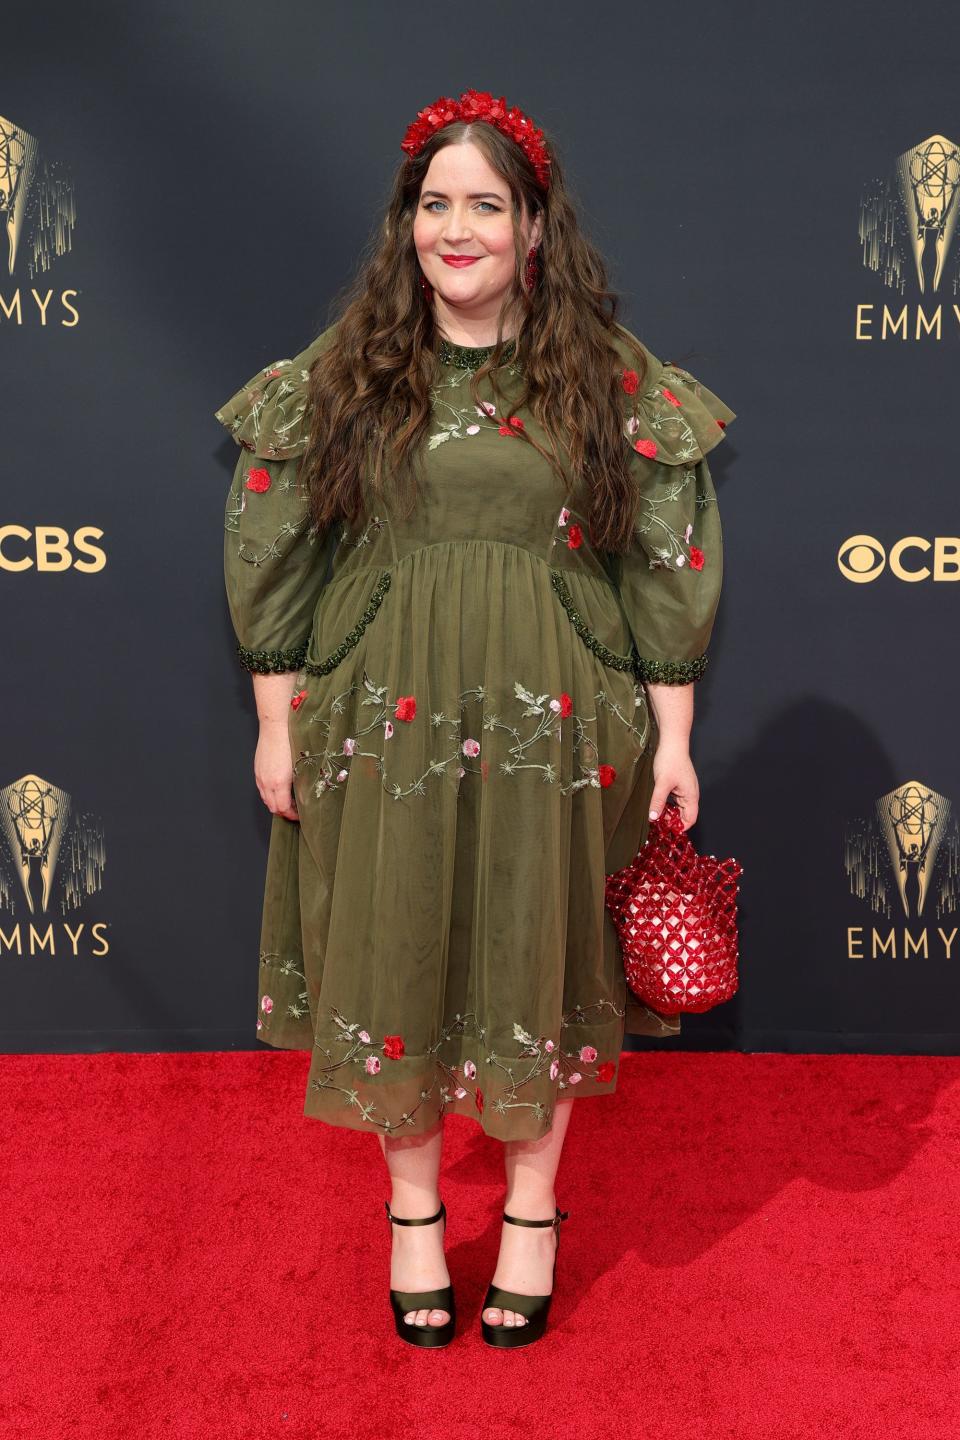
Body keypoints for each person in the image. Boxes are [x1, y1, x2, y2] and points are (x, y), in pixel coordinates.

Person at [215, 88, 736, 1351]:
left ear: (535, 228)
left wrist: (671, 738)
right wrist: (275, 720)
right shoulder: (344, 372)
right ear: (407, 227)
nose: (458, 229)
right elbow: (272, 549)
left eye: (485, 206)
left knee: (535, 956)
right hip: (377, 715)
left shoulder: (607, 379)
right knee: (392, 952)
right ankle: (410, 1220)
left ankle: (532, 1217)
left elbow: (668, 556)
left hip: (557, 720)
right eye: (435, 205)